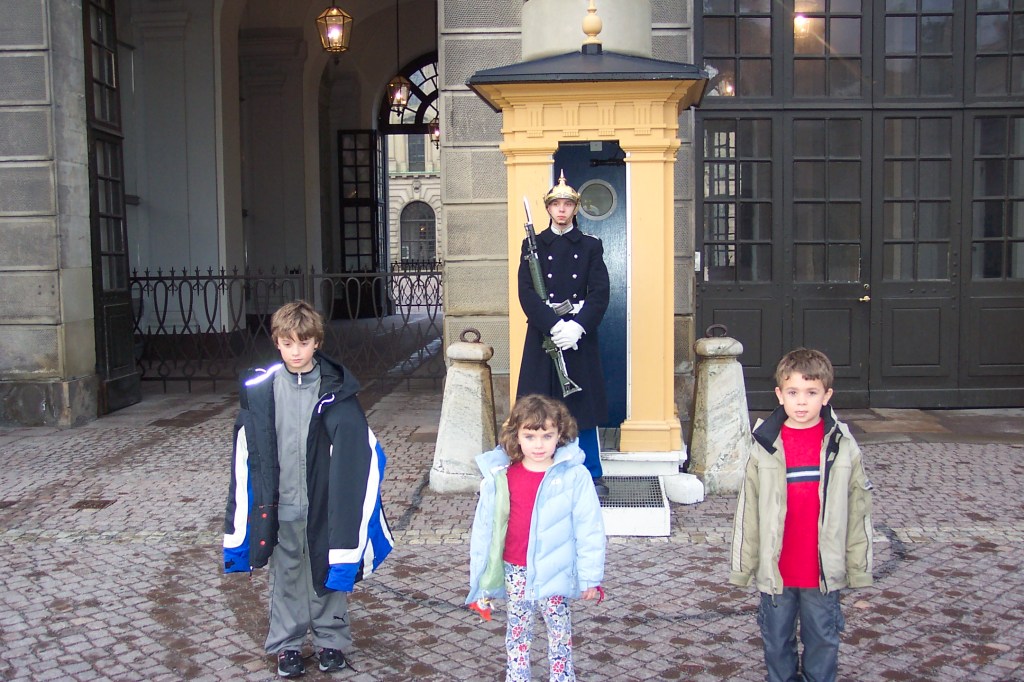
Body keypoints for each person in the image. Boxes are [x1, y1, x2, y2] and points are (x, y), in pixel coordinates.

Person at [223, 300, 394, 678]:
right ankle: (287, 644)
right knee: (285, 576)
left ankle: (331, 640)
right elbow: (247, 451)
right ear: (277, 343)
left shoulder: (336, 390)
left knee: (328, 573)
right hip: (281, 504)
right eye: (287, 343)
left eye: (303, 342)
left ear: (317, 342)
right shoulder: (263, 390)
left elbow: (359, 450)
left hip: (325, 506)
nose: (296, 352)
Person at [729, 348, 874, 682]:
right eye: (793, 393)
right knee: (776, 641)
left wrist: (859, 565)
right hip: (776, 570)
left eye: (811, 393)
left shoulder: (842, 445)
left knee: (823, 639)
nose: (802, 402)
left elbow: (858, 510)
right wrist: (742, 566)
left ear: (827, 396)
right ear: (780, 394)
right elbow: (749, 510)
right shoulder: (765, 444)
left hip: (822, 572)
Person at [467, 394, 606, 681]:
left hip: (555, 569)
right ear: (517, 436)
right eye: (530, 436)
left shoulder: (574, 476)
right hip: (514, 570)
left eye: (547, 435)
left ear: (560, 435)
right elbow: (485, 531)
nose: (539, 444)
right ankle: (517, 677)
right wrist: (481, 580)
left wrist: (590, 576)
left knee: (559, 633)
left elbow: (589, 527)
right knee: (517, 631)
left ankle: (562, 677)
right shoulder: (501, 477)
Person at [517, 171, 611, 497]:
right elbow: (527, 293)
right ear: (548, 209)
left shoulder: (590, 246)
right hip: (545, 336)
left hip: (577, 337)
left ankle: (591, 473)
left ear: (575, 208)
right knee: (539, 407)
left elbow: (600, 294)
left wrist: (577, 326)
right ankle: (539, 468)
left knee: (581, 408)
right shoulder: (533, 245)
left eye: (566, 204)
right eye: (556, 204)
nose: (561, 209)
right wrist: (552, 325)